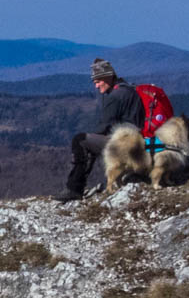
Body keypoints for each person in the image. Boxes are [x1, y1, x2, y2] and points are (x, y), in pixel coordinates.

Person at [53, 58, 144, 202]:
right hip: (136, 141)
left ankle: (74, 188)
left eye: (98, 81)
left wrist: (93, 137)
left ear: (107, 77)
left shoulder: (115, 97)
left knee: (81, 140)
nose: (96, 86)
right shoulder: (129, 90)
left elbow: (103, 127)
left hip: (124, 144)